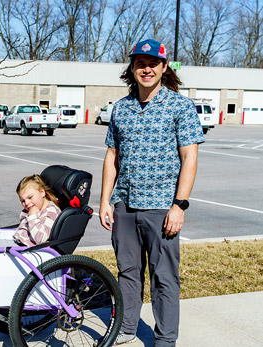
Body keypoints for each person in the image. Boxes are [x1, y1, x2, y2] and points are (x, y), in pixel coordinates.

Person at [99, 39, 205, 347]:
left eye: (153, 63)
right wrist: (106, 200)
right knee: (127, 272)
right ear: (131, 67)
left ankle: (165, 339)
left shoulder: (180, 106)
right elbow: (112, 156)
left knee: (164, 278)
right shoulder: (121, 108)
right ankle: (127, 326)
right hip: (125, 205)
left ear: (163, 67)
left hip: (162, 207)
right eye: (140, 63)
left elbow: (190, 157)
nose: (146, 69)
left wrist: (180, 205)